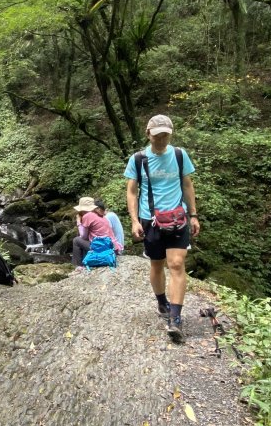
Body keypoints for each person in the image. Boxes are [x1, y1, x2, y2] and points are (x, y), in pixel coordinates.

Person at [124, 115, 200, 342]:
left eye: (165, 134)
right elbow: (131, 191)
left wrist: (194, 214)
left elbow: (187, 184)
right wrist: (135, 220)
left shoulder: (179, 155)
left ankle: (175, 318)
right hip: (150, 220)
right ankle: (161, 302)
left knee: (177, 264)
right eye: (157, 135)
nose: (162, 139)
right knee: (157, 264)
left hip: (177, 218)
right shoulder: (138, 159)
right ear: (148, 134)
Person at [72, 196, 122, 267]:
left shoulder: (88, 216)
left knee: (76, 240)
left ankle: (78, 266)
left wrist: (79, 222)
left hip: (103, 247)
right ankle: (84, 262)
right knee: (86, 241)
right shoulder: (100, 215)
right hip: (113, 248)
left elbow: (83, 236)